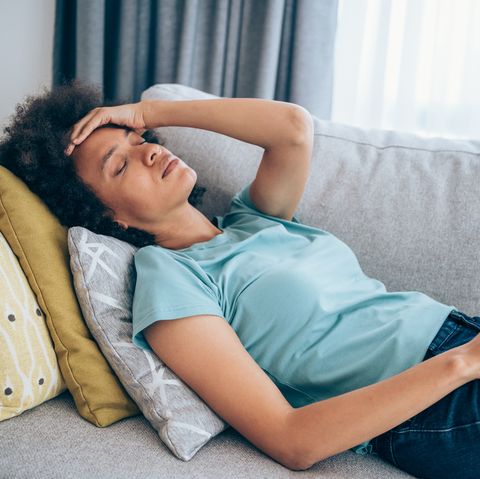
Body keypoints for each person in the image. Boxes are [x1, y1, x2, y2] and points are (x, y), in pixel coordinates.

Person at [1, 81, 480, 478]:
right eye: (120, 165)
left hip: (460, 335)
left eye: (137, 140)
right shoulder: (170, 279)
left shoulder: (252, 220)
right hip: (432, 404)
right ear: (108, 216)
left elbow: (292, 128)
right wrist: (459, 365)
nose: (146, 154)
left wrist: (147, 111)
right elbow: (292, 439)